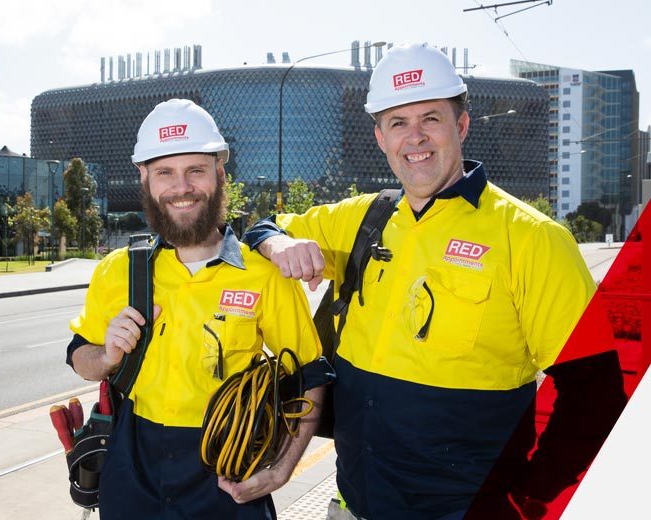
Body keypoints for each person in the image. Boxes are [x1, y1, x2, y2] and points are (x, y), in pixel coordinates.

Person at [243, 43, 626, 519]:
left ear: (461, 126)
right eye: (397, 123)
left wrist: (530, 495)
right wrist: (277, 243)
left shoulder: (532, 238)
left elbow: (596, 393)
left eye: (431, 118)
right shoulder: (362, 217)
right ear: (380, 137)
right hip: (352, 505)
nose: (415, 137)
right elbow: (260, 229)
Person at [66, 99, 331, 519]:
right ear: (145, 178)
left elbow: (309, 375)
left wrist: (281, 469)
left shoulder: (264, 273)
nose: (182, 187)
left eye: (196, 170)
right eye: (165, 172)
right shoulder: (118, 270)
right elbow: (80, 356)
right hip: (131, 473)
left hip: (228, 475)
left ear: (220, 174)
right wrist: (107, 358)